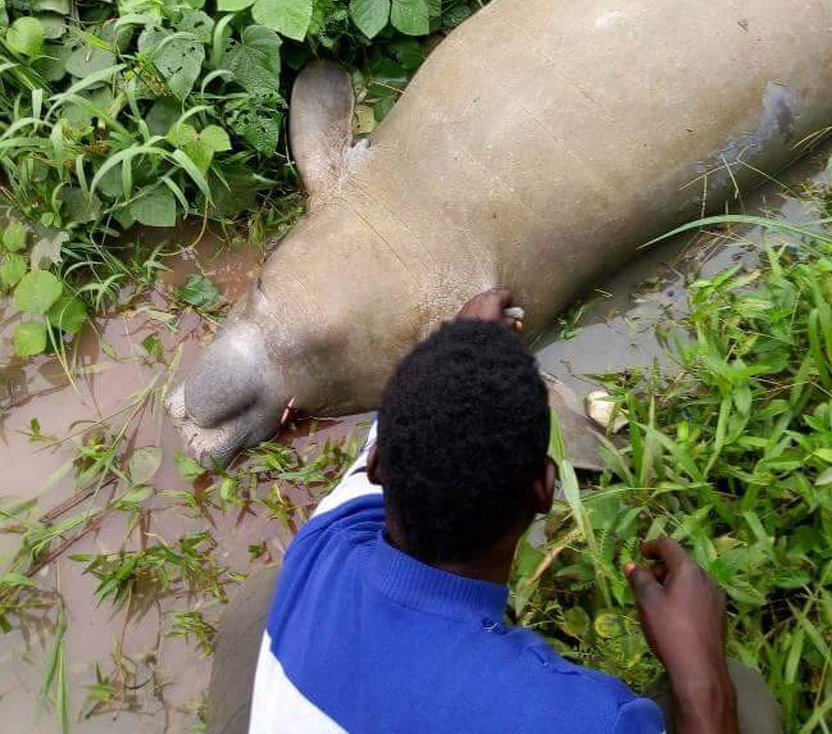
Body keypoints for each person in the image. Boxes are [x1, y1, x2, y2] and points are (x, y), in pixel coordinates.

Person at [209, 292, 780, 734]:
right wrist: (703, 678)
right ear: (546, 491)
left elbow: (402, 426)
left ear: (378, 466)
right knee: (744, 700)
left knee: (263, 599)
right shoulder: (582, 718)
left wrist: (461, 344)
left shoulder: (324, 542)